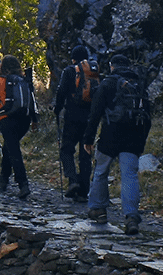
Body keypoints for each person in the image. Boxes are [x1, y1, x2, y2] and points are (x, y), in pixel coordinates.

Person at [83, 54, 152, 235]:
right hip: (134, 137)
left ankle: (98, 210)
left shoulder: (107, 83)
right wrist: (142, 139)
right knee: (129, 175)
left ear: (111, 66)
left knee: (100, 171)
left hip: (110, 135)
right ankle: (131, 217)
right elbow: (148, 116)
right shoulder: (139, 85)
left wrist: (88, 139)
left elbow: (95, 113)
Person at [0, 54, 37, 198]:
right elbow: (32, 101)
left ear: (3, 67)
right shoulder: (25, 80)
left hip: (8, 119)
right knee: (9, 147)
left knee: (14, 151)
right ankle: (3, 180)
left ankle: (23, 184)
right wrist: (34, 120)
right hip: (25, 120)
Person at [53, 45, 96, 201]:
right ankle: (84, 192)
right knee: (85, 154)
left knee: (67, 149)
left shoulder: (70, 71)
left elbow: (61, 91)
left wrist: (57, 109)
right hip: (90, 119)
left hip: (72, 116)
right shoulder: (93, 73)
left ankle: (72, 181)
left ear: (73, 58)